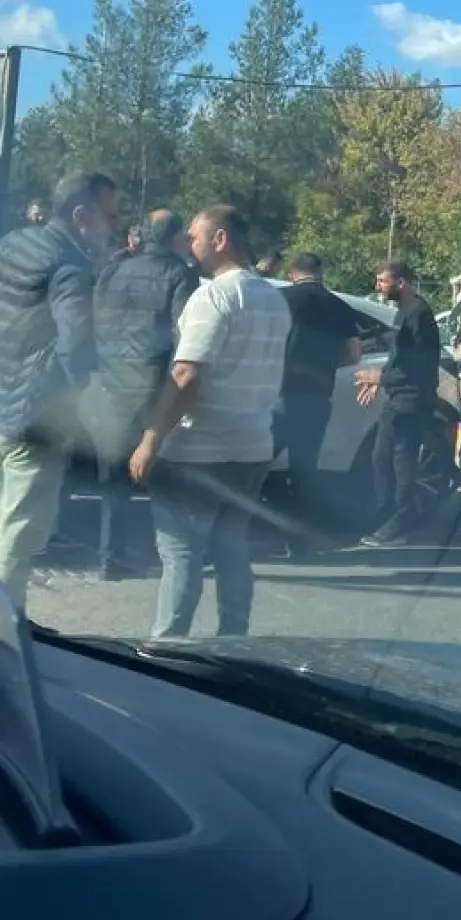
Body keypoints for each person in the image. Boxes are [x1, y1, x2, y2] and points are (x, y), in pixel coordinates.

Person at [128, 205, 291, 640]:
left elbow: (186, 375)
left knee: (181, 552)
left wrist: (149, 440)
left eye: (196, 237)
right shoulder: (275, 300)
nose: (189, 245)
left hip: (197, 450)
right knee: (232, 549)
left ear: (220, 240)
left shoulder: (212, 297)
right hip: (252, 448)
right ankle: (233, 641)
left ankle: (168, 647)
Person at [0, 172, 119, 608]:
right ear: (81, 215)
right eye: (110, 215)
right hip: (34, 420)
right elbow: (75, 347)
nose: (116, 225)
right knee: (17, 536)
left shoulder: (13, 244)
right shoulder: (70, 265)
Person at [91, 209, 197, 578]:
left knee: (113, 478)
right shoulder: (179, 273)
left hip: (110, 382)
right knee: (162, 472)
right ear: (175, 237)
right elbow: (184, 334)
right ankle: (166, 554)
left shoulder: (113, 268)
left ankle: (110, 557)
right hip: (153, 384)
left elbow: (95, 321)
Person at [277, 253, 362, 552]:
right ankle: (298, 542)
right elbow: (353, 354)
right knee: (304, 470)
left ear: (292, 275)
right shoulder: (338, 306)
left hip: (277, 394)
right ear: (321, 272)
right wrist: (324, 365)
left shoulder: (280, 299)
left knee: (253, 463)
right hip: (316, 397)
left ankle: (240, 531)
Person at [354, 260, 440, 546]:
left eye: (382, 281)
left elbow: (417, 363)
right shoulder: (405, 312)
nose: (378, 287)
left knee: (401, 461)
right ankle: (389, 514)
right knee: (382, 457)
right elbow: (399, 358)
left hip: (412, 399)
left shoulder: (418, 314)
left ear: (401, 282)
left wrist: (380, 377)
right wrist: (382, 380)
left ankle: (401, 521)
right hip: (399, 396)